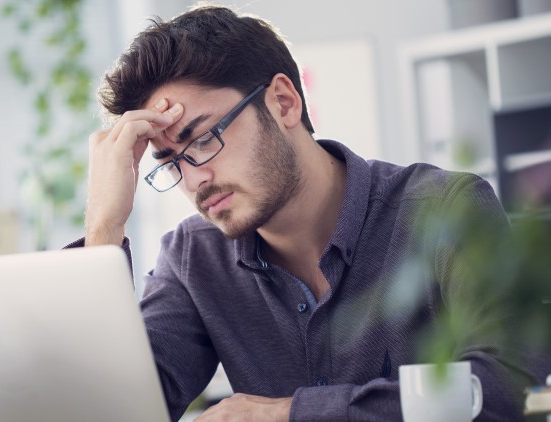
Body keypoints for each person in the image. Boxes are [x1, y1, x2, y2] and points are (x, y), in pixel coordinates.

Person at [75, 5, 535, 421]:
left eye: (201, 140)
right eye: (172, 162)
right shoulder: (192, 258)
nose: (195, 180)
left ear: (283, 102)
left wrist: (292, 413)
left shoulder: (446, 209)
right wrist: (104, 226)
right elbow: (112, 411)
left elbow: (496, 389)